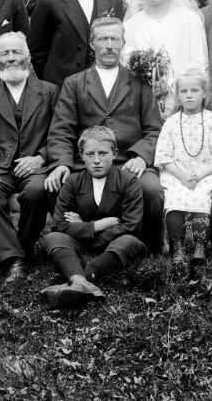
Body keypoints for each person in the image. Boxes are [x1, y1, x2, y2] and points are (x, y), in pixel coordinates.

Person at [45, 17, 165, 252]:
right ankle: (79, 240)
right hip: (89, 162)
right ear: (92, 44)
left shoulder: (139, 83)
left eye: (115, 39)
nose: (109, 45)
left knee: (151, 190)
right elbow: (61, 130)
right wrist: (61, 162)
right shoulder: (74, 83)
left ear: (123, 43)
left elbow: (154, 129)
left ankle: (150, 245)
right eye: (103, 39)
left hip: (128, 163)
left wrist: (141, 156)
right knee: (55, 184)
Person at [0, 31, 59, 282]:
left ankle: (24, 244)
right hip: (1, 167)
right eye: (5, 53)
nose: (11, 58)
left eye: (17, 52)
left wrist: (41, 158)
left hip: (37, 167)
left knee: (35, 191)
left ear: (28, 57)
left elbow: (61, 133)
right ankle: (15, 257)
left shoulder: (50, 92)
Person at [40, 126, 146, 309]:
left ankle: (78, 282)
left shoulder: (128, 181)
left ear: (114, 153)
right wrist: (97, 226)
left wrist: (82, 229)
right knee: (53, 237)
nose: (96, 160)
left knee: (129, 241)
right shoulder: (73, 181)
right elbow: (58, 224)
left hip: (116, 243)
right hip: (88, 240)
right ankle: (81, 283)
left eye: (103, 153)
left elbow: (131, 226)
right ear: (81, 155)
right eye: (90, 154)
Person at [154, 64, 212, 265]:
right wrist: (182, 177)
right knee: (174, 199)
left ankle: (199, 246)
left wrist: (199, 176)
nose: (189, 96)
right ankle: (177, 245)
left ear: (204, 94)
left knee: (201, 198)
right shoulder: (171, 122)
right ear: (177, 96)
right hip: (177, 173)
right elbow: (164, 156)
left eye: (194, 90)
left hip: (205, 172)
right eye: (184, 91)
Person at [121, 0, 207, 117]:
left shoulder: (189, 20)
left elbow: (199, 63)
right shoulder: (132, 25)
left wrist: (170, 87)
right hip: (143, 106)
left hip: (182, 104)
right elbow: (126, 64)